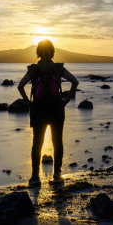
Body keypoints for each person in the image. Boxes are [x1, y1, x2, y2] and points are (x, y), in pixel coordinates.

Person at [18, 39, 78, 186]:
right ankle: (57, 175)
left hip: (38, 110)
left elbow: (20, 86)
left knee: (37, 143)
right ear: (52, 52)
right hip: (57, 109)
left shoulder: (33, 69)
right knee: (58, 142)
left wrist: (27, 102)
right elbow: (74, 81)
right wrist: (67, 100)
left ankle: (34, 177)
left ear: (38, 52)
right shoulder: (59, 68)